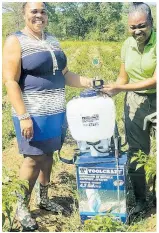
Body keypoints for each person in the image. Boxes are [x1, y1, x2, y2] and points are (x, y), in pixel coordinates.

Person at [2, 2, 93, 231]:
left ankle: (44, 199)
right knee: (33, 159)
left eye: (43, 11)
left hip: (55, 113)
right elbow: (10, 81)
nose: (39, 15)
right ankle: (21, 206)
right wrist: (23, 116)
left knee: (49, 155)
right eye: (34, 11)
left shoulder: (52, 39)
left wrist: (90, 82)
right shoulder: (16, 41)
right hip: (32, 115)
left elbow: (65, 74)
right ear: (24, 14)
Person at [102, 2, 156, 214]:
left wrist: (121, 86)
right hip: (134, 101)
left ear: (151, 23)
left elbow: (155, 80)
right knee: (136, 152)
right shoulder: (127, 44)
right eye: (132, 27)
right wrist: (112, 90)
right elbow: (123, 76)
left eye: (141, 26)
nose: (137, 31)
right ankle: (142, 200)